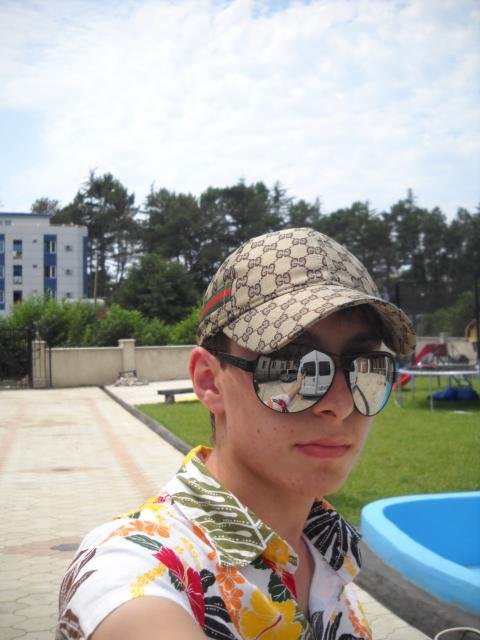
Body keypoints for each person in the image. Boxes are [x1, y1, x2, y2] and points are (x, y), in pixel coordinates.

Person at [56, 227, 415, 640]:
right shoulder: (138, 567)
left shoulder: (323, 550)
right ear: (209, 381)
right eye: (291, 366)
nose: (341, 404)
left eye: (363, 365)